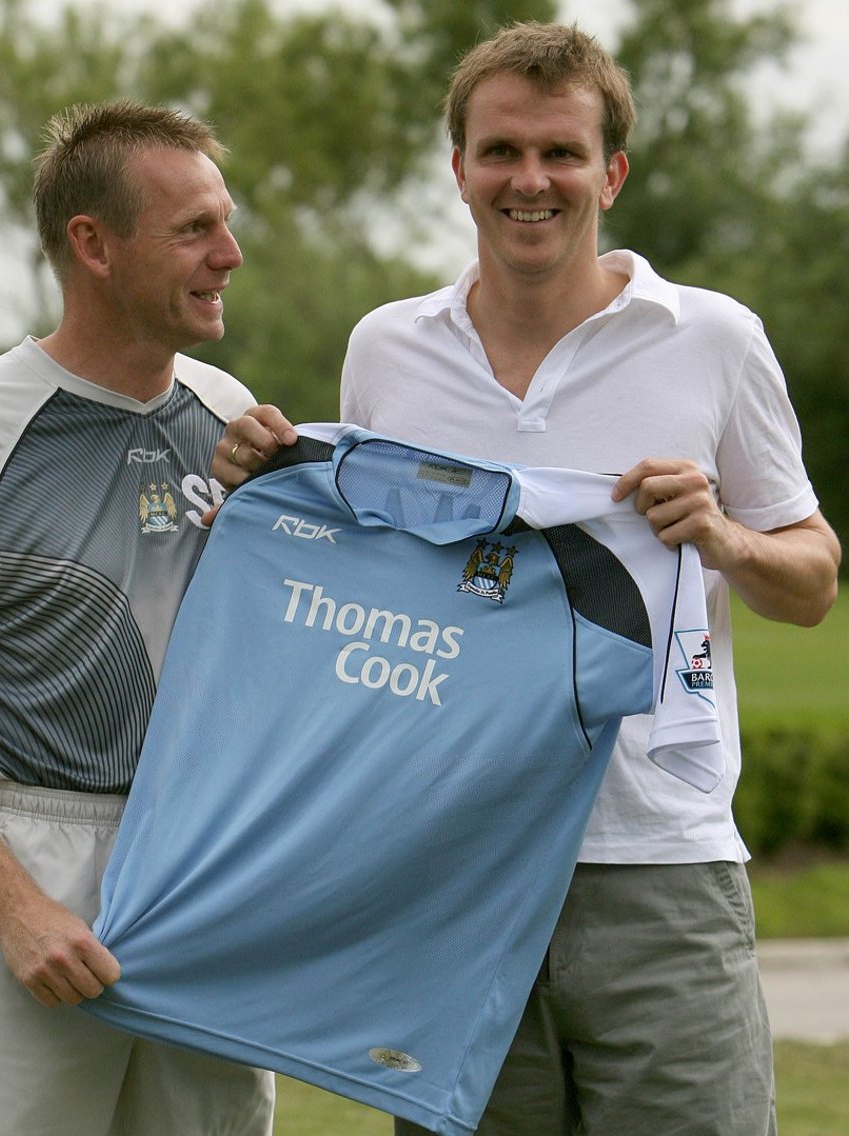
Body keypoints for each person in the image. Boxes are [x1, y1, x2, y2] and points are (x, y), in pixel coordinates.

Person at [215, 22, 841, 1136]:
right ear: (457, 168)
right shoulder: (387, 349)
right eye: (500, 151)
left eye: (559, 152)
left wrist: (727, 540)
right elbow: (362, 584)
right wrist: (267, 484)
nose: (529, 180)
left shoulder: (714, 339)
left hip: (657, 860)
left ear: (611, 172)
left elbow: (811, 579)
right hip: (451, 865)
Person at [0, 100, 274, 1135]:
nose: (230, 253)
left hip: (199, 884)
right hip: (25, 876)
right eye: (194, 229)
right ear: (94, 244)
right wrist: (16, 908)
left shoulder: (229, 415)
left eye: (227, 220)